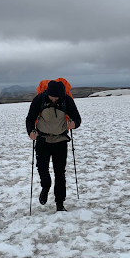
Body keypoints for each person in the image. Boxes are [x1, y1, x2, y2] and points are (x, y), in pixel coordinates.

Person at [26, 80, 81, 211]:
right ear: (47, 93)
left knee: (60, 173)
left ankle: (60, 204)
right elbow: (30, 118)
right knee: (42, 169)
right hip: (42, 140)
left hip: (60, 140)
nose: (54, 99)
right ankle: (45, 187)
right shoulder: (39, 99)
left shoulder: (67, 100)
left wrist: (75, 124)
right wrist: (31, 132)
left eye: (57, 97)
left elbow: (77, 118)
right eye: (52, 96)